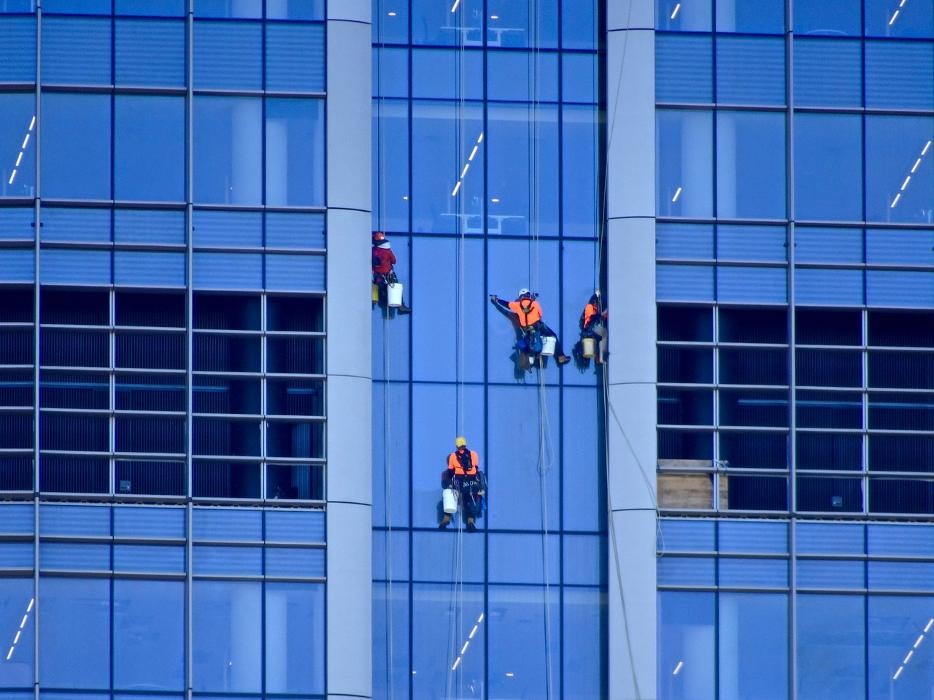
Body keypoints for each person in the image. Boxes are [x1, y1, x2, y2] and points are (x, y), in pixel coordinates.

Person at [489, 288, 571, 365]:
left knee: (526, 342)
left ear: (520, 297)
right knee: (553, 335)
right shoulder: (535, 303)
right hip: (537, 326)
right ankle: (560, 357)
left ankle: (533, 355)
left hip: (526, 329)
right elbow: (540, 314)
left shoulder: (517, 305)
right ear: (529, 295)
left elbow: (506, 304)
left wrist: (496, 300)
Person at [439, 436, 485, 531]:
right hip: (471, 487)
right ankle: (470, 521)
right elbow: (476, 469)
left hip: (459, 489)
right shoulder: (474, 454)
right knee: (472, 498)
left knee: (449, 494)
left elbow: (448, 478)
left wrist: (451, 484)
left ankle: (446, 519)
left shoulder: (451, 460)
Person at [372, 231, 411, 314]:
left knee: (381, 290)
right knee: (395, 287)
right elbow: (394, 261)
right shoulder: (388, 251)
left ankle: (375, 303)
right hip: (388, 274)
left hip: (377, 276)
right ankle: (401, 306)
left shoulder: (373, 250)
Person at [580, 290, 608, 364]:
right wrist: (600, 315)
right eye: (597, 302)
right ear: (595, 301)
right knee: (604, 333)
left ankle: (599, 357)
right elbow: (591, 317)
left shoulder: (595, 308)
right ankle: (601, 357)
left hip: (592, 327)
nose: (598, 304)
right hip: (590, 328)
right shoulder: (589, 307)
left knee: (601, 337)